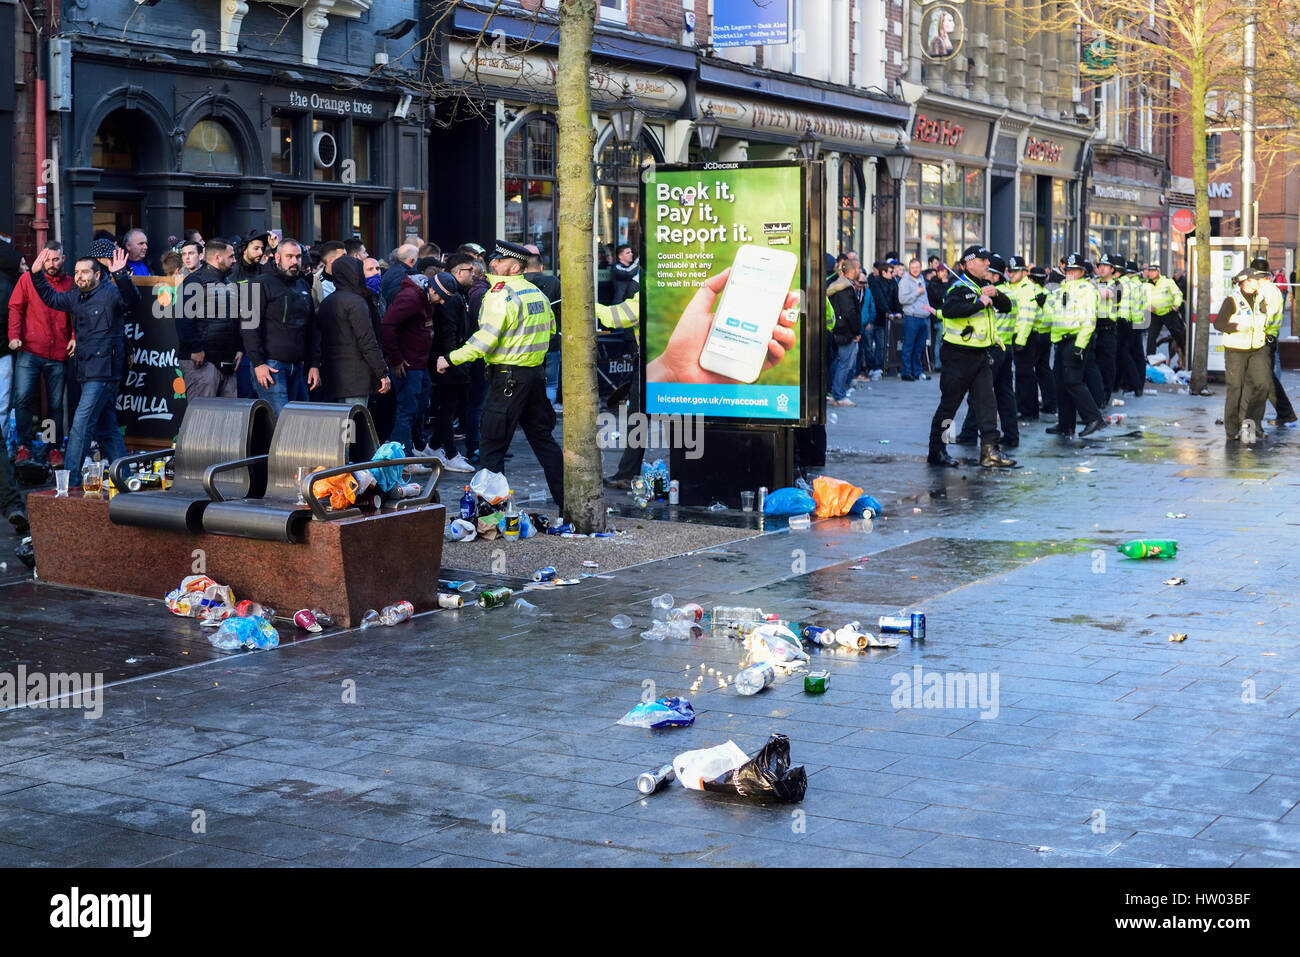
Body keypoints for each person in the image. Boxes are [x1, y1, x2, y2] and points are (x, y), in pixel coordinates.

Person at [436, 240, 564, 506]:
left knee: (492, 447)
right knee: (544, 442)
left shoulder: (500, 294)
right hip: (534, 378)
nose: (493, 263)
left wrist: (449, 359)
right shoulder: (536, 294)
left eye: (499, 260)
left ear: (514, 267)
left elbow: (484, 341)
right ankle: (568, 503)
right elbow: (551, 332)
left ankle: (490, 511)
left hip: (507, 378)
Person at [28, 245, 136, 488]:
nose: (79, 277)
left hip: (105, 371)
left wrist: (120, 275)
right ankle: (125, 479)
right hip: (87, 370)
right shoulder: (76, 295)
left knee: (80, 426)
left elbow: (132, 301)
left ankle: (70, 483)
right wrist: (36, 275)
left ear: (97, 275)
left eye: (85, 272)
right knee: (107, 428)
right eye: (76, 272)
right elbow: (52, 298)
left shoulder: (110, 292)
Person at [926, 245, 1016, 469]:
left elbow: (1006, 307)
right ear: (968, 264)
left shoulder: (984, 285)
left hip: (980, 356)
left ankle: (989, 452)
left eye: (988, 260)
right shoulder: (959, 287)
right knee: (949, 407)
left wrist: (996, 294)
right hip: (958, 357)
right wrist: (978, 302)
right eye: (983, 260)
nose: (987, 264)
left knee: (987, 405)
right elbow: (950, 310)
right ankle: (938, 449)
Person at [7, 241, 72, 467]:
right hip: (30, 349)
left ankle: (53, 448)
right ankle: (24, 447)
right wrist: (13, 336)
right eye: (48, 259)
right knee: (23, 399)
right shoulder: (27, 280)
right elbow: (15, 308)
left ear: (63, 259)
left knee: (55, 405)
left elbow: (76, 314)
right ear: (40, 258)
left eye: (56, 259)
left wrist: (74, 337)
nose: (52, 264)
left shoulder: (70, 283)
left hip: (58, 352)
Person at [246, 238, 321, 416]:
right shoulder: (259, 283)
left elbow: (312, 328)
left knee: (301, 422)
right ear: (277, 258)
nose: (295, 261)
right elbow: (248, 326)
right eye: (289, 256)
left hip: (299, 365)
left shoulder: (303, 284)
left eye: (298, 257)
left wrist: (314, 364)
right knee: (280, 424)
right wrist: (258, 364)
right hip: (271, 366)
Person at [957, 254, 1019, 448]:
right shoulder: (1010, 293)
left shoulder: (992, 294)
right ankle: (1011, 435)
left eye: (989, 272)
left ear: (996, 276)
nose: (985, 274)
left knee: (979, 394)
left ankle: (968, 433)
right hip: (1006, 347)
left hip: (992, 348)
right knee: (1005, 395)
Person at [1047, 252, 1107, 438]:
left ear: (1082, 272)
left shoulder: (1087, 290)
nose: (1070, 272)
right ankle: (1066, 425)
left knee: (1073, 382)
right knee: (1060, 384)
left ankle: (1094, 418)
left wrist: (1080, 346)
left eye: (1075, 269)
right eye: (1068, 269)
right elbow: (1054, 315)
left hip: (1076, 339)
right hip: (1062, 339)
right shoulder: (1063, 287)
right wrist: (1045, 304)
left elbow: (1089, 320)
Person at [1215, 266, 1279, 444]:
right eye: (1256, 279)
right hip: (1236, 350)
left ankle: (1252, 425)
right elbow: (1218, 323)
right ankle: (1232, 429)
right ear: (1246, 282)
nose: (1260, 282)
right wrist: (1235, 327)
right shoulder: (1232, 300)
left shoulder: (1261, 299)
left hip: (1257, 349)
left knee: (1263, 385)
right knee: (1236, 388)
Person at [173, 239, 243, 399]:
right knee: (202, 418)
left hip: (228, 361)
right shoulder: (194, 281)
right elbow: (182, 318)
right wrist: (195, 349)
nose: (234, 260)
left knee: (227, 418)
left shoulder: (228, 283)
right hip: (203, 361)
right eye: (231, 256)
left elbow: (235, 320)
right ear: (218, 257)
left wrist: (239, 347)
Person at [318, 255, 390, 406]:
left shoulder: (326, 302)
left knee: (341, 425)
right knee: (355, 423)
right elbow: (367, 341)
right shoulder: (357, 302)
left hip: (333, 375)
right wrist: (382, 373)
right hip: (357, 377)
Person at [382, 270, 437, 463]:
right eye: (441, 297)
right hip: (408, 363)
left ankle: (408, 448)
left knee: (419, 405)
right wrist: (396, 359)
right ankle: (402, 457)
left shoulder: (422, 296)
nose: (442, 302)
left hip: (418, 362)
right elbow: (388, 325)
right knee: (408, 409)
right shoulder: (411, 298)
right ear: (432, 289)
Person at [423, 271, 474, 472]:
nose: (473, 274)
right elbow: (449, 332)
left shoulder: (453, 296)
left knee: (449, 407)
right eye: (469, 271)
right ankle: (449, 453)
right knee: (448, 407)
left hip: (449, 359)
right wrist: (453, 362)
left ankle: (434, 446)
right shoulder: (451, 300)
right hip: (447, 361)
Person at [1248, 257, 1297, 427]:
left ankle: (1285, 414)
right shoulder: (1270, 290)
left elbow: (1263, 317)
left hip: (1264, 338)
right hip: (1267, 337)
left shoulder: (1266, 292)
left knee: (1266, 380)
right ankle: (1285, 413)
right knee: (1267, 379)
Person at [524, 248, 562, 407]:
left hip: (526, 344)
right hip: (550, 342)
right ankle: (547, 413)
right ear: (541, 267)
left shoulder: (519, 285)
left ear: (524, 268)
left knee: (526, 384)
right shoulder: (553, 282)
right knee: (551, 383)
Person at [828, 257, 862, 406]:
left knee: (838, 363)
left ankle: (834, 392)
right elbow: (850, 312)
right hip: (846, 331)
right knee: (844, 364)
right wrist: (856, 331)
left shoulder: (836, 286)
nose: (859, 271)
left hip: (837, 329)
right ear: (852, 270)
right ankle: (839, 395)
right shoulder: (846, 287)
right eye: (857, 269)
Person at [1116, 258, 1147, 397]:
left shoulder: (1125, 284)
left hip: (1127, 322)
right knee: (1138, 354)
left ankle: (1133, 384)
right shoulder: (1139, 285)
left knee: (1125, 354)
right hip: (1138, 321)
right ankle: (1138, 383)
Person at [899, 258, 933, 381]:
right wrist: (917, 293)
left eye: (917, 267)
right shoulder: (905, 281)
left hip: (924, 317)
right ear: (909, 268)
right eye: (913, 267)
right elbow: (902, 300)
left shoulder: (921, 278)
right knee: (909, 346)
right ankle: (906, 372)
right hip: (912, 317)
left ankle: (917, 372)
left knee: (919, 347)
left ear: (920, 268)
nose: (915, 270)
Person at [1144, 262, 1185, 367]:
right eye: (1150, 271)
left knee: (1179, 334)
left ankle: (1184, 356)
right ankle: (1150, 360)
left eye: (1153, 271)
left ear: (1158, 272)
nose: (1151, 273)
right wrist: (1147, 306)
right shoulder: (1146, 284)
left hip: (1168, 313)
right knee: (1151, 337)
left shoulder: (1168, 282)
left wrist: (1176, 304)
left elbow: (1177, 294)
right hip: (1155, 314)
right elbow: (1141, 299)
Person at [312, 241, 346, 306]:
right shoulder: (314, 283)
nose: (347, 259)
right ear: (330, 260)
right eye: (343, 256)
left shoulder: (351, 279)